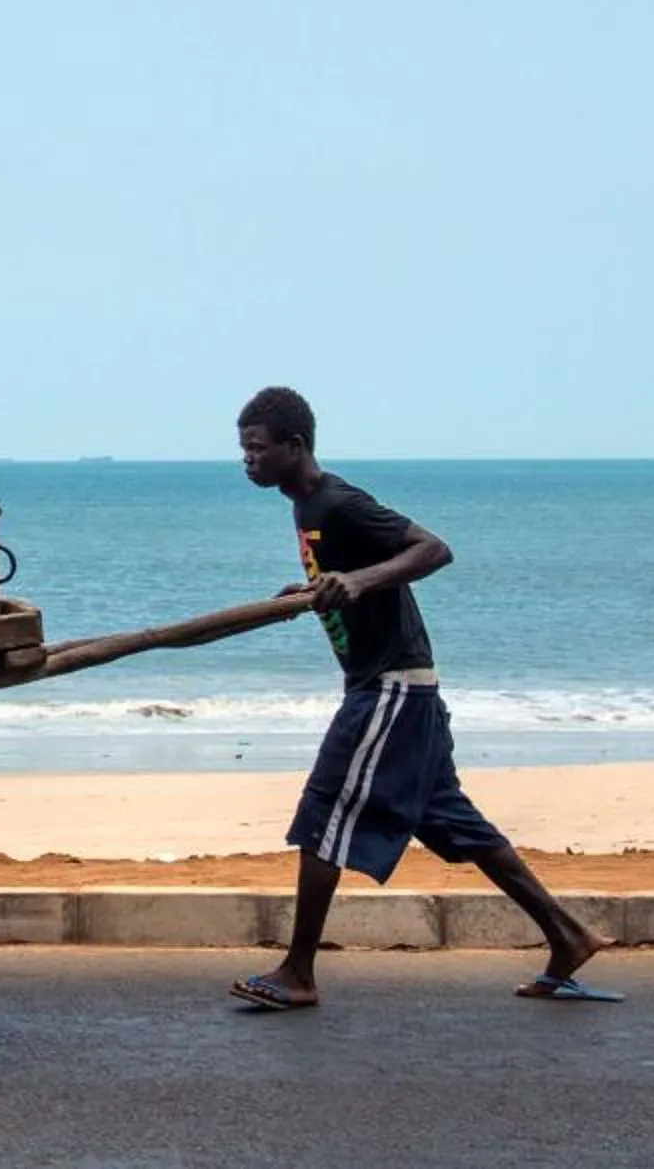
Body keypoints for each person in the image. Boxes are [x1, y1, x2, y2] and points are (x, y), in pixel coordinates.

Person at [226, 385, 615, 1010]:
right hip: (404, 690)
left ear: (294, 447)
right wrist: (305, 595)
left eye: (256, 448)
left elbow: (433, 549)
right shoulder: (305, 509)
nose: (247, 460)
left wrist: (356, 579)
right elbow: (345, 583)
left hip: (390, 688)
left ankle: (298, 972)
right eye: (243, 450)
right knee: (451, 819)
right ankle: (567, 935)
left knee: (325, 810)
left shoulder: (338, 502)